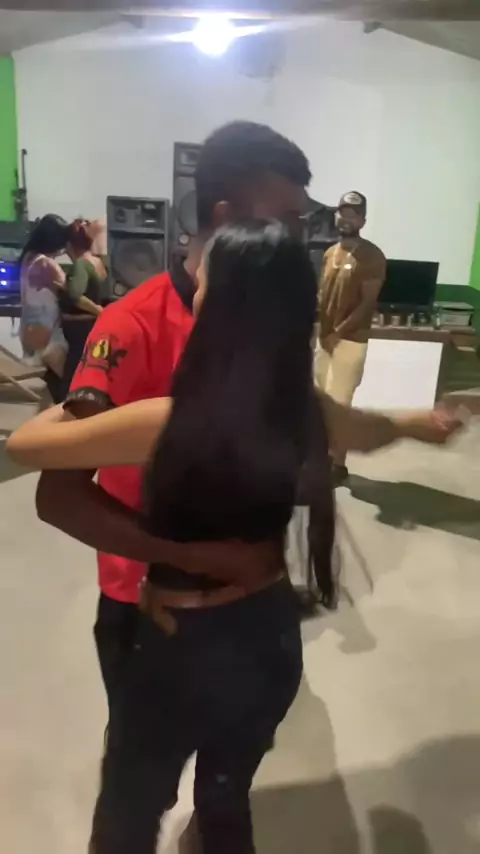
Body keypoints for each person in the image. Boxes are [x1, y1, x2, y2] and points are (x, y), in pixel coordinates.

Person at [6, 221, 462, 854]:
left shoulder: (166, 421)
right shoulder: (300, 410)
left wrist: (86, 393)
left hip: (179, 647)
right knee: (224, 803)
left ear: (219, 307)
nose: (192, 286)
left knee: (128, 819)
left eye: (204, 280)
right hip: (268, 638)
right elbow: (367, 431)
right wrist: (418, 424)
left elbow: (26, 447)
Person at [316, 191, 386, 485]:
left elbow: (367, 303)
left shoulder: (372, 256)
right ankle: (323, 459)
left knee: (339, 407)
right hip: (324, 341)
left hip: (350, 341)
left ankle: (337, 465)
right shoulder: (329, 253)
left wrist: (338, 333)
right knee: (322, 404)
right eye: (342, 213)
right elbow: (323, 296)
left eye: (353, 214)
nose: (346, 219)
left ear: (363, 220)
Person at [59, 219, 106, 398]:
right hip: (92, 327)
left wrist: (98, 310)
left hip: (80, 329)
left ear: (69, 245)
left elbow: (76, 295)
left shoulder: (81, 264)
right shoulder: (98, 262)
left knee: (72, 372)